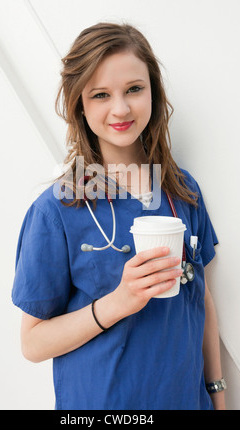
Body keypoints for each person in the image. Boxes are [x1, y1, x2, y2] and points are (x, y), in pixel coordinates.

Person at [12, 23, 226, 410]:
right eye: (100, 95)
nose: (121, 108)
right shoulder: (57, 209)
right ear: (80, 104)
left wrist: (218, 396)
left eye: (134, 89)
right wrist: (119, 302)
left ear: (154, 93)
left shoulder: (183, 191)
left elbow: (203, 300)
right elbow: (32, 342)